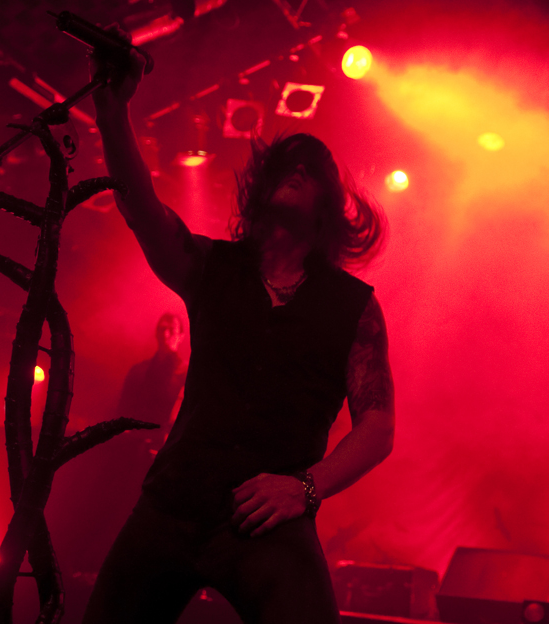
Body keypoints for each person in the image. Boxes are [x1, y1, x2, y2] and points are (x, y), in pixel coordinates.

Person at [83, 36, 395, 624]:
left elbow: (377, 428)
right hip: (172, 504)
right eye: (287, 163)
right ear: (260, 188)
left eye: (311, 169)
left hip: (268, 515)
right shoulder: (213, 268)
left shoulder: (352, 306)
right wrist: (112, 109)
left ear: (329, 204)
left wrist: (304, 488)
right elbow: (140, 206)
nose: (297, 170)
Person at [116, 312, 188, 454]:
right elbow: (123, 409)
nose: (165, 334)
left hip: (166, 448)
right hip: (133, 446)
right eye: (162, 329)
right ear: (156, 333)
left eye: (171, 330)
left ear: (181, 336)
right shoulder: (138, 371)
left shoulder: (186, 373)